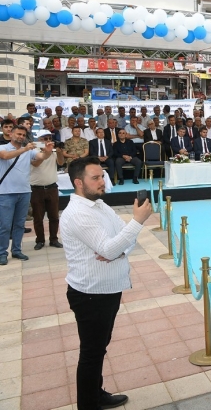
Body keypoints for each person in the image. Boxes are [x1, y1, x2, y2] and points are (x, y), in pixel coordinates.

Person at [61, 156, 152, 410]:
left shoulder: (99, 205)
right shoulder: (79, 213)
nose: (103, 181)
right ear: (79, 182)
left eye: (103, 176)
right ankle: (88, 405)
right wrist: (136, 222)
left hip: (108, 290)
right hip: (91, 294)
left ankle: (95, 394)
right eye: (96, 178)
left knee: (99, 348)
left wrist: (119, 248)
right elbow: (115, 242)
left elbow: (121, 241)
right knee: (91, 353)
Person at [0, 126, 56, 265]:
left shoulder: (28, 150)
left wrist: (48, 152)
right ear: (11, 134)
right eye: (18, 134)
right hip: (6, 192)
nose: (21, 136)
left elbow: (40, 157)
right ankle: (2, 253)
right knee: (5, 225)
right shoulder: (4, 147)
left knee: (20, 224)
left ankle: (17, 250)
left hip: (24, 191)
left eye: (23, 135)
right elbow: (5, 156)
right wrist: (25, 149)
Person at [30, 129, 66, 251]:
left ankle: (54, 239)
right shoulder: (32, 150)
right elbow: (35, 164)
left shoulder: (53, 151)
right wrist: (46, 153)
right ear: (39, 140)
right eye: (45, 139)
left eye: (49, 138)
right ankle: (40, 240)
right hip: (36, 189)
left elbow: (61, 162)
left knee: (54, 216)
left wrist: (59, 151)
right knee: (38, 217)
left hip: (52, 187)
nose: (48, 141)